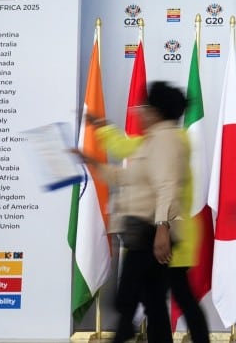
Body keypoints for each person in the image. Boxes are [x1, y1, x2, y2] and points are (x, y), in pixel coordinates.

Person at [84, 81, 209, 343]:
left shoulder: (166, 140)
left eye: (144, 107)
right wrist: (93, 162)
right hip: (152, 232)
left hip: (155, 232)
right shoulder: (154, 140)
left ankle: (125, 332)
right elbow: (129, 176)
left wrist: (162, 228)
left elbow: (167, 185)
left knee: (131, 299)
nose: (138, 112)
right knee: (152, 299)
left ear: (155, 111)